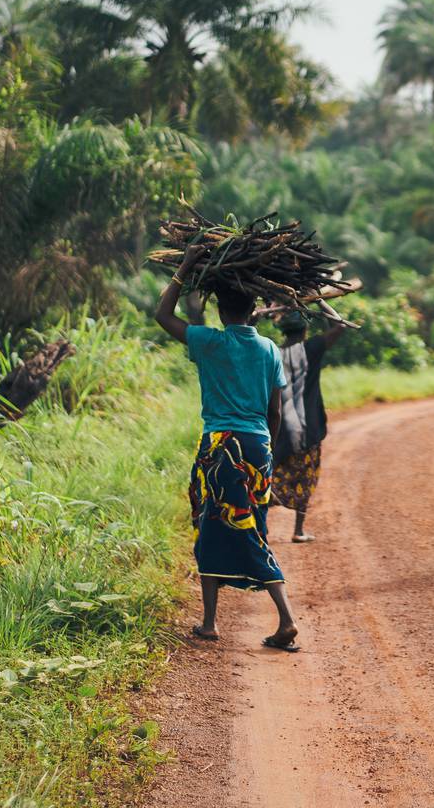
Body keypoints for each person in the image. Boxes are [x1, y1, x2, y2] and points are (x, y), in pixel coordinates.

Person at [155, 244, 300, 652]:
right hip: (257, 447)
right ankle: (208, 622)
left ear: (221, 310)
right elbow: (275, 410)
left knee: (227, 529)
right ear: (253, 309)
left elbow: (163, 316)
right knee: (233, 528)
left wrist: (184, 268)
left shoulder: (210, 342)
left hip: (221, 448)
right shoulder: (270, 349)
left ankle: (286, 620)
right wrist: (265, 451)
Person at [270, 312, 345, 543]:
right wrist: (320, 303)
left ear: (283, 332)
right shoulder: (311, 348)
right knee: (306, 475)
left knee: (273, 474)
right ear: (304, 331)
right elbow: (339, 326)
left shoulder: (272, 352)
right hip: (307, 427)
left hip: (279, 427)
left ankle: (260, 527)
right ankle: (298, 530)